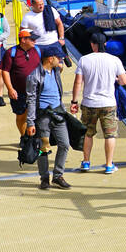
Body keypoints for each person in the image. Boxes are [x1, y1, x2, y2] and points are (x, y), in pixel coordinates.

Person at [72, 31, 126, 174]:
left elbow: (78, 82)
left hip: (89, 103)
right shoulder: (114, 60)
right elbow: (124, 81)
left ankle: (86, 162)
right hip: (108, 103)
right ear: (106, 44)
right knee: (110, 135)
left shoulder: (84, 60)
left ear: (92, 44)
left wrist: (74, 101)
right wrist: (114, 79)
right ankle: (109, 165)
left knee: (88, 134)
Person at [25, 46, 74, 190]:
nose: (60, 60)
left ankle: (58, 175)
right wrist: (30, 122)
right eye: (58, 58)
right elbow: (31, 100)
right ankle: (44, 178)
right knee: (43, 148)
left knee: (64, 144)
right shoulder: (34, 76)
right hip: (43, 117)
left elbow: (65, 65)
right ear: (50, 59)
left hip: (58, 114)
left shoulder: (56, 71)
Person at [1, 28, 43, 139]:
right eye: (32, 39)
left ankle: (34, 138)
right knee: (21, 116)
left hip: (36, 92)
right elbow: (5, 71)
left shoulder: (37, 50)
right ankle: (24, 137)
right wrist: (10, 89)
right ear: (23, 40)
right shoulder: (11, 53)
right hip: (19, 92)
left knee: (36, 115)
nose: (35, 41)